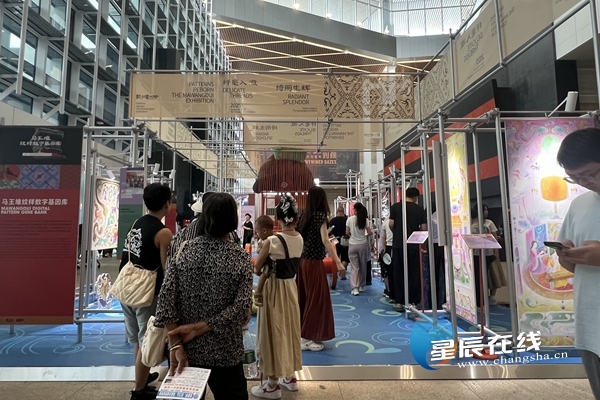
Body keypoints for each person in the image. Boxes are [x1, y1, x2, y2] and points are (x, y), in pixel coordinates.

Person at [155, 192, 253, 400]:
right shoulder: (240, 258)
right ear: (233, 220)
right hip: (226, 350)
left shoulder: (184, 251)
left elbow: (165, 302)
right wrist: (202, 327)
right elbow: (241, 309)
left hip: (185, 349)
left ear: (204, 218)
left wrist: (175, 343)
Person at [554, 128, 600, 399]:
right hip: (590, 323)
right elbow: (574, 266)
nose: (584, 182)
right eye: (575, 177)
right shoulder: (579, 205)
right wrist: (567, 257)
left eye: (589, 174)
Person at [119, 183, 173, 400]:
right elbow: (167, 269)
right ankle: (139, 391)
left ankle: (142, 377)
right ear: (167, 204)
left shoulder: (136, 223)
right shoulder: (164, 232)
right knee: (147, 340)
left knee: (139, 341)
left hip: (127, 289)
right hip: (147, 294)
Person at [251, 195, 303, 399]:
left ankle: (272, 383)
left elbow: (257, 269)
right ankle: (290, 376)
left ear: (278, 219)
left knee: (272, 332)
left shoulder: (272, 241)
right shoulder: (300, 238)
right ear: (296, 218)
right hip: (290, 287)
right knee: (289, 329)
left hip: (273, 289)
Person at [296, 186, 344, 351]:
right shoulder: (320, 217)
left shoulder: (304, 216)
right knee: (317, 298)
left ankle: (303, 334)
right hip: (314, 262)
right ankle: (309, 336)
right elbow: (325, 240)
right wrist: (338, 261)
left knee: (304, 296)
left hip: (303, 262)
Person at [388, 187, 427, 312]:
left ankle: (399, 301)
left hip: (398, 244)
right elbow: (423, 228)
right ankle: (413, 301)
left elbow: (391, 224)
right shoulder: (419, 209)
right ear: (416, 197)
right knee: (414, 273)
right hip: (414, 245)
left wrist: (397, 232)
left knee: (398, 272)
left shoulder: (395, 207)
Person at [471, 205, 499, 307]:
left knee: (482, 277)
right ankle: (483, 299)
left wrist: (495, 251)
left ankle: (483, 300)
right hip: (484, 254)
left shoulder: (475, 227)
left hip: (480, 255)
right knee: (483, 277)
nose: (486, 212)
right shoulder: (484, 227)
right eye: (485, 210)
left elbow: (494, 238)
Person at [346, 202, 372, 296]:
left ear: (355, 210)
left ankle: (355, 287)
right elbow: (369, 232)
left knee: (354, 267)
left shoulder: (349, 219)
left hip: (352, 244)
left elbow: (347, 232)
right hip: (363, 244)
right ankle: (362, 285)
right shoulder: (365, 220)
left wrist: (352, 234)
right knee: (363, 265)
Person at [328, 206, 349, 279]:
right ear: (343, 212)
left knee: (335, 257)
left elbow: (329, 231)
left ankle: (335, 275)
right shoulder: (346, 220)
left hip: (334, 240)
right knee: (344, 258)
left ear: (337, 212)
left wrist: (333, 238)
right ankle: (342, 275)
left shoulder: (332, 220)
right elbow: (348, 231)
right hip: (344, 241)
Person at [379, 218, 393, 298]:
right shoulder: (403, 221)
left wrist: (383, 249)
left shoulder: (386, 223)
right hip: (399, 247)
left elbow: (383, 238)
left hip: (388, 246)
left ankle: (388, 289)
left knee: (386, 269)